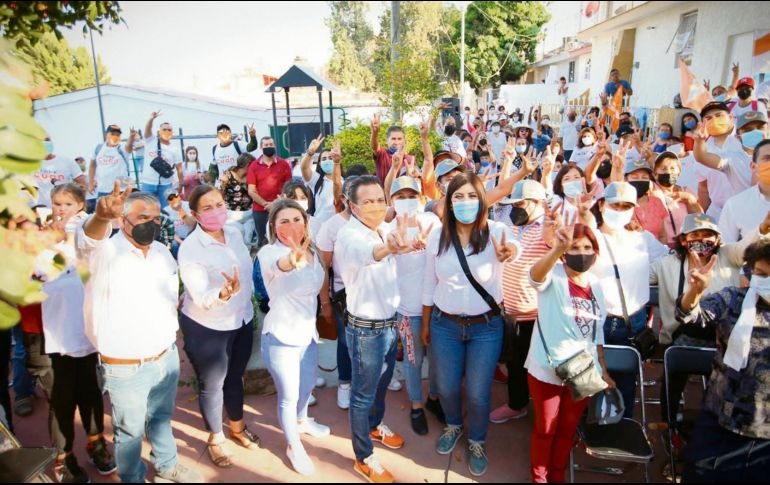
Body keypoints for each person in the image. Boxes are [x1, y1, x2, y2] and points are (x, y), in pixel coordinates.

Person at [76, 183, 201, 483]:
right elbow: (87, 240)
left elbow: (170, 294)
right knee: (129, 431)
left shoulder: (162, 252)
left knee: (160, 419)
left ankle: (167, 463)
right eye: (143, 218)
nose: (152, 224)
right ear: (122, 220)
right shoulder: (103, 252)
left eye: (156, 218)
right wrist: (101, 217)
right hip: (126, 364)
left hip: (165, 355)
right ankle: (132, 477)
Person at [421, 172, 520, 477]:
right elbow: (428, 283)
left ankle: (477, 439)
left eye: (471, 196)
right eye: (458, 196)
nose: (465, 202)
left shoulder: (497, 231)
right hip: (444, 325)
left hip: (485, 328)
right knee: (447, 386)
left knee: (478, 392)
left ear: (482, 200)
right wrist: (425, 324)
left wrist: (509, 252)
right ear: (449, 203)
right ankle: (453, 424)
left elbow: (512, 249)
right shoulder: (437, 236)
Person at [336, 175, 426, 483]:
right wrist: (390, 248)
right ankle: (363, 457)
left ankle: (375, 426)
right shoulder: (349, 235)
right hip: (365, 331)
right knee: (362, 394)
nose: (376, 206)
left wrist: (408, 244)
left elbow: (396, 242)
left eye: (379, 200)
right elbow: (370, 253)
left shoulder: (385, 227)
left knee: (383, 383)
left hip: (390, 323)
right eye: (367, 201)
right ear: (352, 205)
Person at [650, 212, 770, 428]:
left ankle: (710, 422)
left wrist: (762, 228)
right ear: (684, 239)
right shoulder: (666, 263)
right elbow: (639, 279)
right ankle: (667, 423)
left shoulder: (728, 254)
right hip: (682, 333)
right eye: (695, 235)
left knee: (720, 381)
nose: (702, 240)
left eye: (708, 235)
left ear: (717, 240)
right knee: (673, 372)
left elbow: (747, 248)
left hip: (722, 335)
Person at [35, 184, 116, 483]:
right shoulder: (42, 242)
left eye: (68, 204)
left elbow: (99, 240)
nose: (61, 209)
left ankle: (97, 445)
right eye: (57, 203)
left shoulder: (90, 234)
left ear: (81, 205)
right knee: (62, 401)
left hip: (91, 334)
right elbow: (35, 281)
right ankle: (63, 458)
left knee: (92, 395)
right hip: (58, 338)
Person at [527, 221, 614, 483]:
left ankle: (557, 474)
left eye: (588, 247)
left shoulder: (597, 285)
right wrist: (556, 250)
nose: (582, 252)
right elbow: (535, 277)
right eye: (575, 247)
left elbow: (597, 331)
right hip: (548, 369)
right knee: (545, 429)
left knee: (566, 429)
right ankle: (539, 477)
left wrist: (603, 369)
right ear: (565, 251)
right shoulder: (553, 275)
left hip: (584, 370)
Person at [178, 185, 258, 468]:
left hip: (241, 319)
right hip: (207, 325)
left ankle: (237, 426)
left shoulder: (234, 234)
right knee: (212, 384)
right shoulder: (190, 249)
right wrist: (222, 294)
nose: (216, 211)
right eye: (207, 208)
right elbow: (200, 296)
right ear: (195, 214)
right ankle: (216, 437)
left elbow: (245, 275)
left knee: (235, 377)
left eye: (220, 204)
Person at [677, 240, 770, 483]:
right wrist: (695, 291)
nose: (764, 280)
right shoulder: (734, 299)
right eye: (760, 273)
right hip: (721, 421)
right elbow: (692, 316)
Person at [258, 198, 332, 475]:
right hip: (280, 336)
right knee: (288, 396)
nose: (291, 225)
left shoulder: (312, 250)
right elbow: (280, 265)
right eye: (283, 221)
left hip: (307, 334)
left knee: (308, 385)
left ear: (306, 222)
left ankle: (302, 420)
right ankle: (293, 445)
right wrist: (291, 260)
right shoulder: (268, 253)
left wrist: (324, 309)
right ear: (274, 227)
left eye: (297, 219)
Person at [589, 181, 669, 418]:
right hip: (594, 319)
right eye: (615, 205)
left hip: (632, 320)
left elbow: (669, 262)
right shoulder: (591, 236)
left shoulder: (643, 239)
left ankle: (621, 424)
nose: (620, 211)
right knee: (587, 375)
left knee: (625, 378)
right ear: (602, 205)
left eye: (626, 206)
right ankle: (585, 427)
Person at [490, 181, 554, 425]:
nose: (515, 209)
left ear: (538, 203)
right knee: (516, 364)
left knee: (536, 367)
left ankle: (541, 411)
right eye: (513, 204)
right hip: (511, 312)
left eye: (520, 203)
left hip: (534, 314)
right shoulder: (514, 228)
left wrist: (550, 232)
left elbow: (553, 244)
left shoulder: (546, 230)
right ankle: (517, 404)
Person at [387, 176, 444, 435]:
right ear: (392, 201)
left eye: (412, 196)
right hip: (408, 309)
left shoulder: (432, 222)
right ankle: (416, 404)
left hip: (436, 306)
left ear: (422, 199)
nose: (407, 201)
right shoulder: (387, 229)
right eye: (400, 196)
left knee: (437, 358)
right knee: (412, 359)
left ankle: (433, 398)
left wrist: (426, 243)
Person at [692, 102, 754, 204]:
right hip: (718, 211)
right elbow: (703, 187)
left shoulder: (747, 138)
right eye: (709, 118)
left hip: (749, 206)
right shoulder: (701, 148)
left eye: (718, 115)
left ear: (731, 117)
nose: (714, 120)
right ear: (703, 123)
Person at [718, 140, 770, 243]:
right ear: (753, 166)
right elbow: (725, 249)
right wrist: (759, 233)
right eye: (767, 158)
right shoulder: (735, 204)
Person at [132, 111, 184, 209]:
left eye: (169, 130)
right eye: (164, 129)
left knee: (168, 209)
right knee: (147, 209)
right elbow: (147, 130)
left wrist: (181, 184)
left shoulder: (175, 149)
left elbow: (179, 168)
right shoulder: (151, 141)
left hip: (166, 184)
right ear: (159, 131)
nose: (167, 131)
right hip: (148, 183)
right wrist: (151, 118)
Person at [247, 136, 292, 247]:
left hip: (281, 207)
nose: (269, 147)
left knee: (282, 238)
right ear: (261, 147)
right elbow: (251, 191)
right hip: (260, 210)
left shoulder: (284, 164)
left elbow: (289, 188)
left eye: (271, 144)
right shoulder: (254, 166)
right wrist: (266, 204)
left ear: (275, 146)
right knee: (263, 241)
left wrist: (275, 204)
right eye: (266, 145)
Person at [652, 151, 703, 246]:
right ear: (655, 174)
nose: (668, 172)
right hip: (664, 245)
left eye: (672, 168)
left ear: (679, 173)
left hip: (686, 244)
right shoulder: (653, 191)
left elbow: (699, 218)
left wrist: (689, 198)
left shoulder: (686, 190)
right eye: (663, 169)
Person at [300, 135, 343, 224]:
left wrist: (337, 162)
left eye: (330, 158)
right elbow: (304, 168)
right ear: (319, 163)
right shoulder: (316, 180)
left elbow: (337, 184)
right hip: (319, 227)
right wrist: (310, 153)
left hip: (339, 226)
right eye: (324, 159)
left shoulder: (344, 181)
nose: (327, 161)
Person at [34, 136, 86, 208]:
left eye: (47, 140)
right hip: (38, 211)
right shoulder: (28, 163)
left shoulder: (67, 161)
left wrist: (78, 205)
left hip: (63, 210)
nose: (45, 143)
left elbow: (82, 184)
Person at [89, 125, 132, 200]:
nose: (115, 136)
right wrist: (91, 182)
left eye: (117, 135)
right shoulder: (99, 147)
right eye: (112, 134)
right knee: (102, 211)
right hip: (102, 189)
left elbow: (128, 147)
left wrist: (132, 136)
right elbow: (92, 165)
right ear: (106, 135)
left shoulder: (122, 147)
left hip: (120, 190)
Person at [370, 114, 415, 185]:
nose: (396, 142)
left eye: (399, 139)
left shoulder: (410, 159)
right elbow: (374, 146)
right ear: (387, 140)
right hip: (384, 195)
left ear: (404, 140)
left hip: (403, 195)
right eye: (393, 139)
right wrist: (375, 132)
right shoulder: (382, 155)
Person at [222, 153, 256, 245]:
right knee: (235, 240)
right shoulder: (228, 175)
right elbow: (219, 193)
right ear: (247, 165)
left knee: (247, 241)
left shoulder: (251, 176)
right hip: (231, 215)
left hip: (248, 214)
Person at [163, 191, 194, 258]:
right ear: (168, 201)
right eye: (171, 199)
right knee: (173, 244)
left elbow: (192, 225)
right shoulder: (165, 211)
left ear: (179, 196)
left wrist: (180, 209)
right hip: (177, 239)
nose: (174, 199)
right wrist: (181, 242)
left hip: (190, 235)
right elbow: (169, 232)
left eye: (175, 196)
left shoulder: (188, 205)